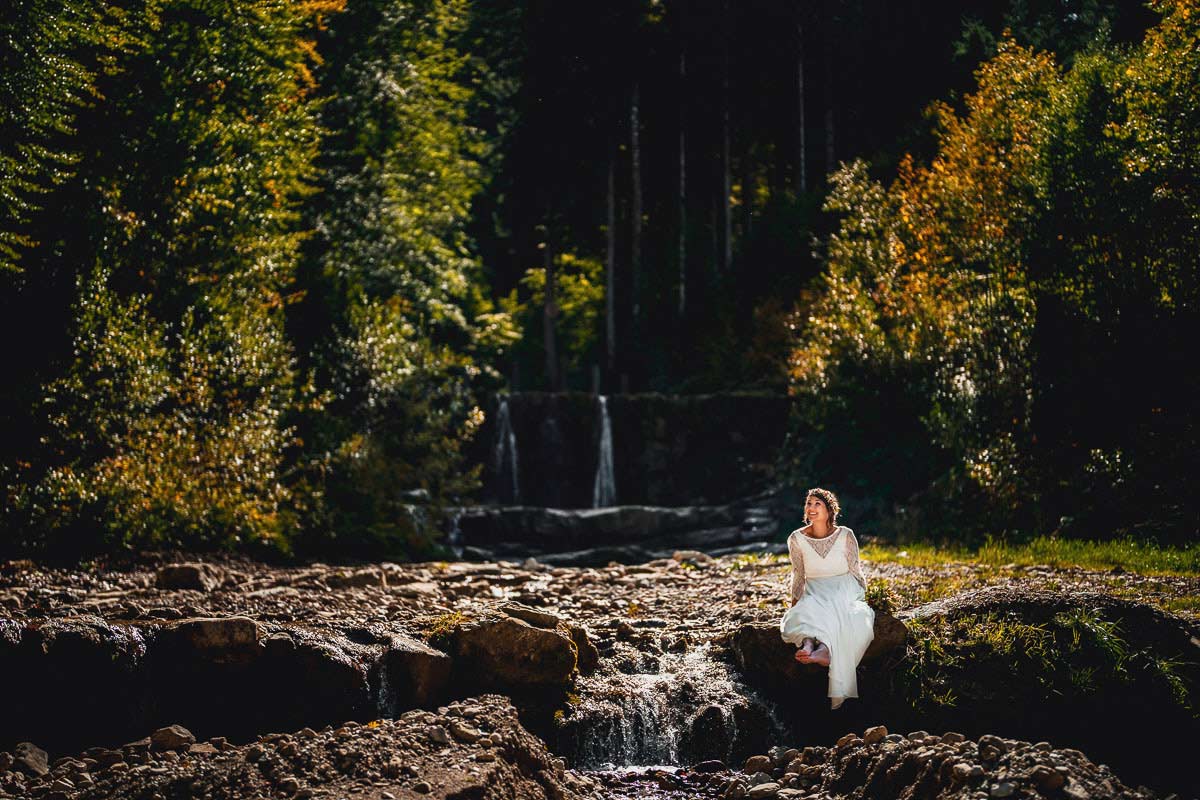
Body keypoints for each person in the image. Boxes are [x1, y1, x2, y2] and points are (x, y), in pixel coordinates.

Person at [779, 488, 875, 709]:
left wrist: (860, 594)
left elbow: (855, 569)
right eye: (808, 504)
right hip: (814, 586)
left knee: (851, 615)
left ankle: (825, 651)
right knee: (806, 609)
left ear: (830, 509)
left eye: (817, 504)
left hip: (844, 585)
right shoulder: (796, 538)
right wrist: (794, 603)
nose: (811, 508)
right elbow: (799, 574)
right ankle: (808, 644)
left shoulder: (846, 534)